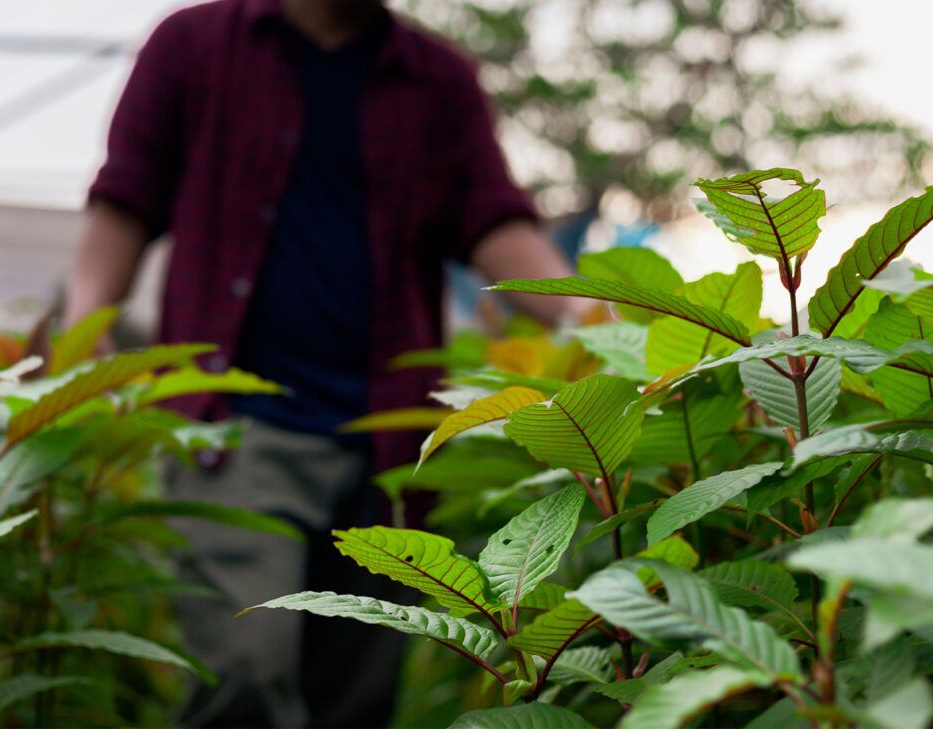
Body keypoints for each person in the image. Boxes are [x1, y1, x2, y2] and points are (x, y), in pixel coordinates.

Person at [63, 0, 587, 725]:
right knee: (243, 673)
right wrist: (85, 320)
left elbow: (491, 217)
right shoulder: (193, 45)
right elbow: (127, 195)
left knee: (355, 701)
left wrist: (590, 313)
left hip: (389, 449)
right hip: (235, 429)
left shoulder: (437, 80)